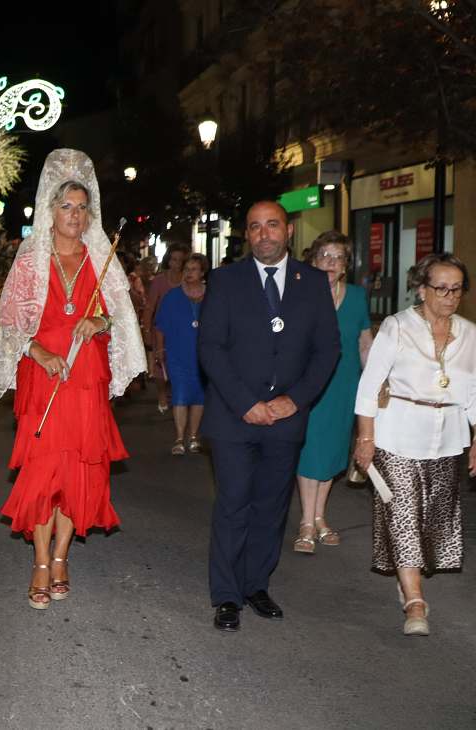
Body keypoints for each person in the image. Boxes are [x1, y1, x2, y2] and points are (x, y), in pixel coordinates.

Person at [0, 149, 146, 610]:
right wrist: (37, 351)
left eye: (81, 207)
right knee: (42, 471)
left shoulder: (102, 257)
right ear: (50, 212)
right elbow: (12, 323)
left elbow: (119, 316)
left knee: (78, 470)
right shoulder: (31, 257)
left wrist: (99, 323)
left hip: (86, 376)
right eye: (65, 207)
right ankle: (39, 561)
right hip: (44, 375)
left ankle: (61, 558)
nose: (74, 215)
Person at [198, 201, 340, 632]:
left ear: (289, 230)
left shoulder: (313, 282)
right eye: (255, 227)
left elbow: (327, 350)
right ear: (247, 234)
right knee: (234, 503)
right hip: (233, 417)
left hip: (286, 420)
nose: (264, 234)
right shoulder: (225, 281)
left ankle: (256, 585)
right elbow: (211, 348)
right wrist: (247, 403)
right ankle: (226, 595)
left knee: (271, 506)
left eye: (272, 225)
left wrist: (294, 401)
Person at [354, 253, 472, 637]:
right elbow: (369, 386)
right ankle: (415, 601)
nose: (449, 296)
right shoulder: (397, 326)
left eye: (457, 289)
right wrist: (366, 438)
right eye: (441, 288)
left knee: (434, 520)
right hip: (397, 434)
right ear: (422, 289)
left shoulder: (470, 334)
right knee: (403, 514)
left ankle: (408, 578)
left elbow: (472, 391)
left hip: (447, 436)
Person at [293, 232, 372, 553]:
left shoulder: (356, 296)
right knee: (310, 451)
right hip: (308, 384)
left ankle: (320, 517)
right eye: (324, 255)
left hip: (344, 385)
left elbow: (365, 343)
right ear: (312, 261)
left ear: (345, 266)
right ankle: (306, 523)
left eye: (338, 257)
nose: (331, 262)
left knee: (333, 453)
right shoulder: (299, 294)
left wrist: (374, 382)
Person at [154, 253, 210, 455]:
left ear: (202, 272)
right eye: (186, 269)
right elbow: (160, 326)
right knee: (179, 394)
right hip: (178, 353)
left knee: (199, 396)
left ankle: (194, 436)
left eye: (194, 269)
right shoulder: (172, 296)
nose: (189, 273)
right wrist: (160, 349)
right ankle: (179, 437)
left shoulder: (212, 295)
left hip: (204, 354)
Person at [143, 242, 190, 413]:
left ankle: (178, 396)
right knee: (160, 365)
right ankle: (162, 393)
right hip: (162, 330)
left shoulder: (188, 279)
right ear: (168, 261)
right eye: (173, 260)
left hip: (183, 331)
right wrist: (147, 330)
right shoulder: (159, 281)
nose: (176, 263)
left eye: (180, 260)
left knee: (181, 365)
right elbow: (150, 307)